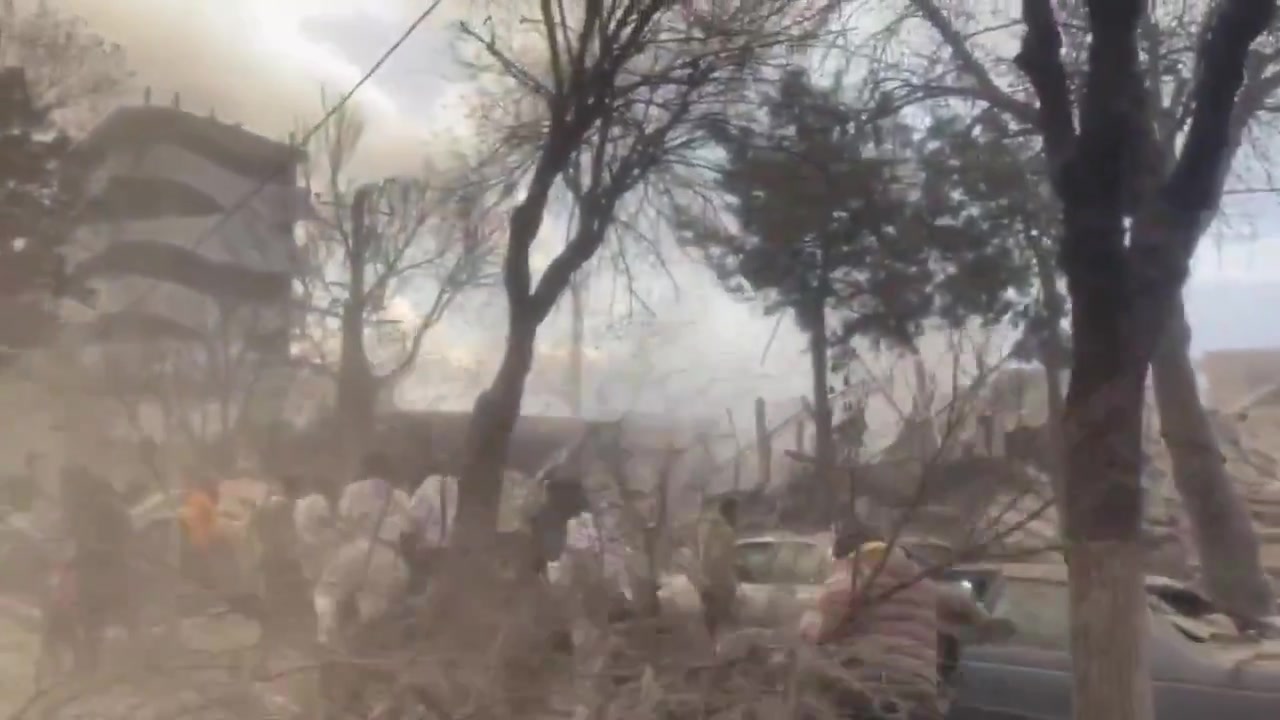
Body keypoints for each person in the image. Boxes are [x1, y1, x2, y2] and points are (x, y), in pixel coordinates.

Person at [800, 526, 989, 720]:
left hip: (869, 685)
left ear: (845, 556)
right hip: (919, 686)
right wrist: (982, 620)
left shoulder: (851, 580)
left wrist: (807, 623)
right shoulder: (919, 582)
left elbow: (822, 631)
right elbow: (964, 605)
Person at [57, 466, 133, 671]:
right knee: (92, 618)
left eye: (68, 487)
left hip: (103, 571)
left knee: (93, 618)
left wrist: (86, 553)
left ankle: (92, 666)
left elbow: (111, 540)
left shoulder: (100, 506)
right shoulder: (99, 504)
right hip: (102, 569)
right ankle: (91, 663)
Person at [694, 496, 739, 642]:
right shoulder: (725, 532)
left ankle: (715, 645)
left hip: (711, 583)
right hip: (719, 584)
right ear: (730, 512)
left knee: (716, 621)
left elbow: (708, 557)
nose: (738, 517)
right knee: (722, 620)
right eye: (736, 512)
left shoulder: (712, 530)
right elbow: (717, 559)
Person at [179, 472, 222, 591]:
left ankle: (205, 589)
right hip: (201, 542)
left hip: (198, 541)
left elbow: (188, 518)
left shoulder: (197, 499)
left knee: (201, 570)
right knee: (204, 570)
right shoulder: (201, 499)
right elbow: (211, 522)